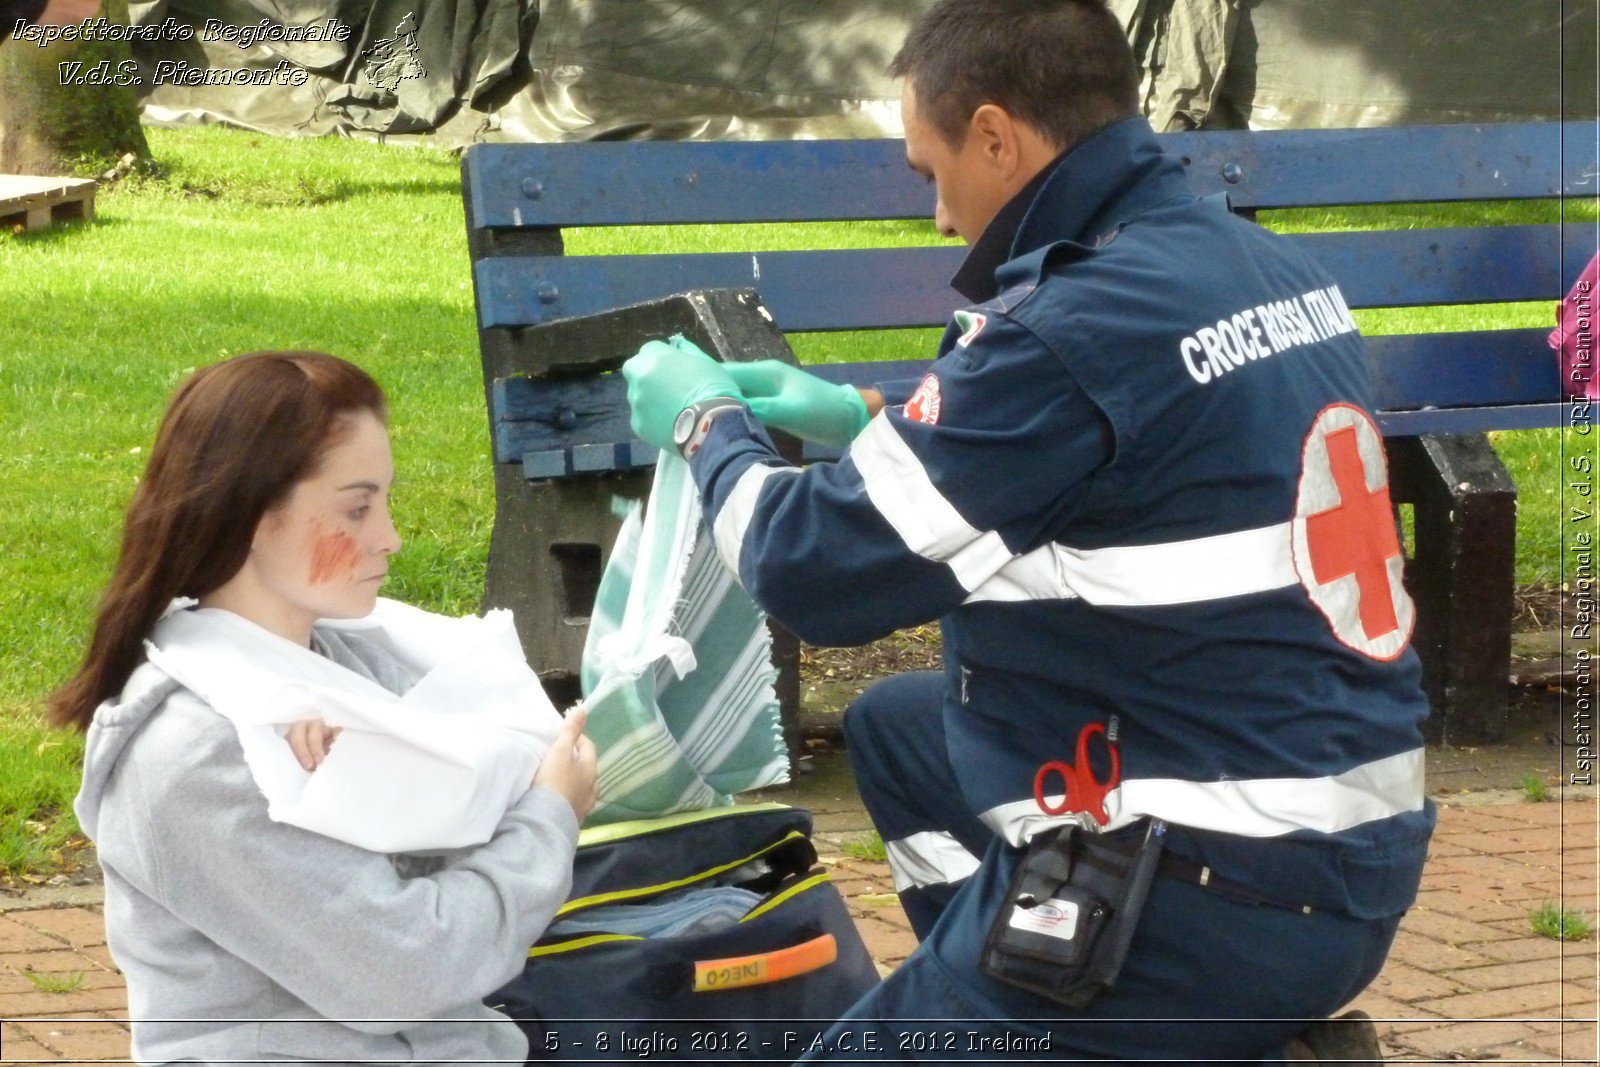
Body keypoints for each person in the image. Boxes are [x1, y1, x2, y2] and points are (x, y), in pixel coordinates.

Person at [620, 0, 1433, 1060]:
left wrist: (705, 424)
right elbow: (1109, 457)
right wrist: (858, 419)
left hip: (1220, 892)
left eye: (929, 170)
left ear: (997, 136)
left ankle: (1062, 1006)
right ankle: (1018, 1001)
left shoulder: (1072, 325)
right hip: (1342, 834)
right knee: (902, 730)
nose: (938, 217)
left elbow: (811, 567)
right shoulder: (1255, 266)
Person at [50, 350, 598, 1066]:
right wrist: (550, 816)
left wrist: (388, 763)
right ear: (249, 513)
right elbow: (410, 971)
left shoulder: (354, 660)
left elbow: (485, 818)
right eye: (357, 507)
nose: (391, 537)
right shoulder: (191, 755)